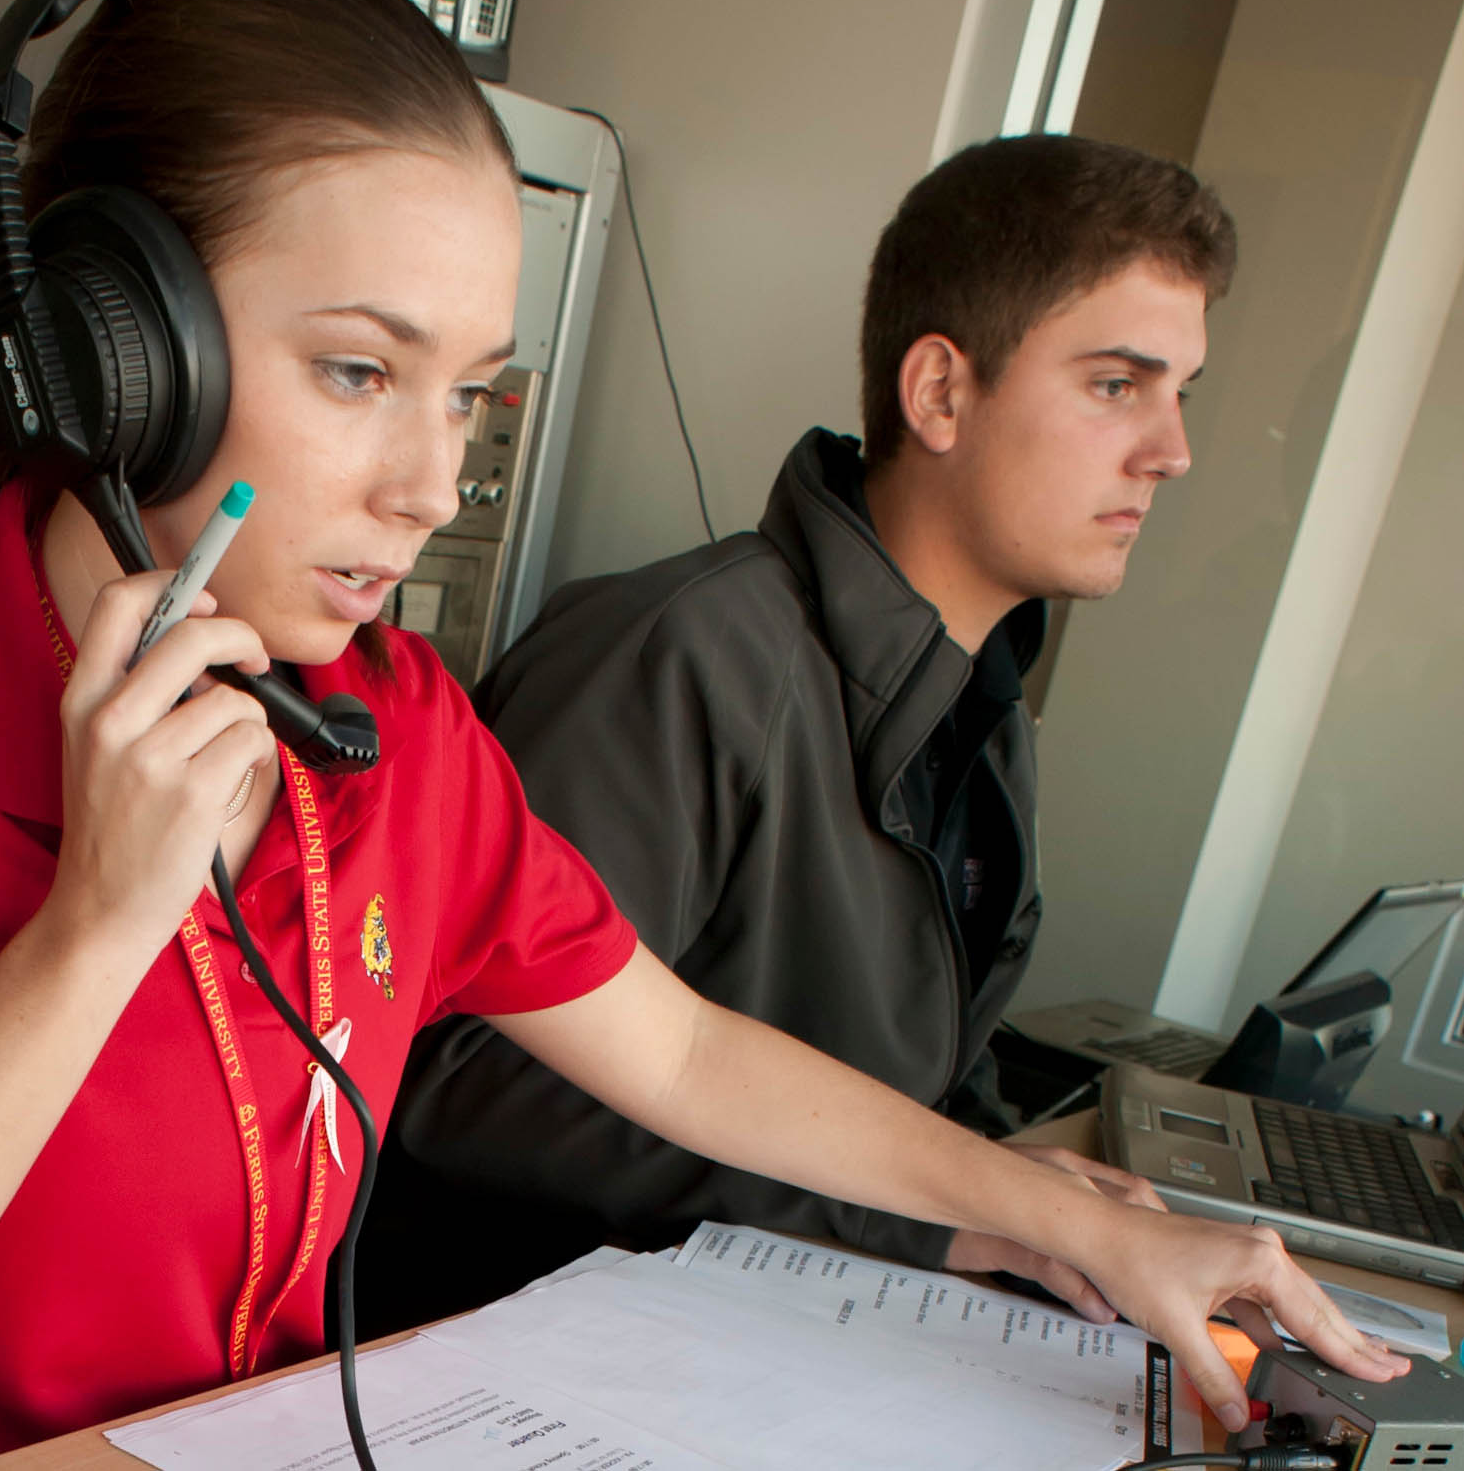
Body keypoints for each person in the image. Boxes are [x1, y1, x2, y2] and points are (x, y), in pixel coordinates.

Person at [0, 0, 1396, 1471]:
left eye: (468, 397)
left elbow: (677, 1053)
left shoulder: (389, 727)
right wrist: (95, 929)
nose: (430, 485)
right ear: (113, 357)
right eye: (360, 371)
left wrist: (1068, 1213)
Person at [368, 134, 1234, 1328]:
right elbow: (469, 1087)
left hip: (783, 1329)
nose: (1173, 450)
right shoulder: (681, 655)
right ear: (939, 391)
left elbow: (919, 1075)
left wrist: (1018, 1192)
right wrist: (930, 1213)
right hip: (532, 1355)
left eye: (1182, 392)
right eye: (1116, 385)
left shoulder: (977, 696)